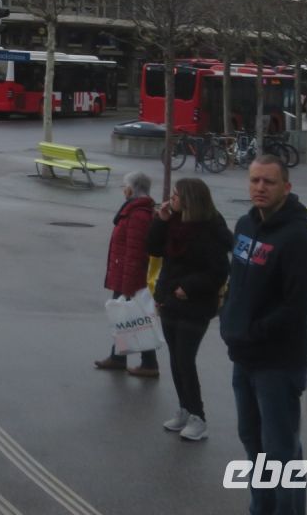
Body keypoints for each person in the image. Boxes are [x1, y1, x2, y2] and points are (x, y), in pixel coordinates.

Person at [219, 155, 307, 515]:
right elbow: (236, 283)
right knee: (253, 443)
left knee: (281, 452)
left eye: (269, 182)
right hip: (244, 357)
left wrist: (250, 331)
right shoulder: (245, 225)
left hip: (279, 362)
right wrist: (227, 319)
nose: (260, 188)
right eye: (255, 181)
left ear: (286, 188)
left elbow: (295, 307)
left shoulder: (298, 238)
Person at [146, 177, 232, 442]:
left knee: (185, 358)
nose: (171, 198)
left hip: (195, 303)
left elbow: (219, 270)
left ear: (190, 199)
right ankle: (184, 408)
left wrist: (189, 287)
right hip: (169, 299)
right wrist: (159, 221)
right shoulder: (173, 221)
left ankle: (198, 416)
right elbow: (154, 249)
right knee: (174, 358)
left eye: (176, 195)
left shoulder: (211, 228)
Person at [95, 171, 159, 378]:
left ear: (132, 189)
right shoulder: (135, 210)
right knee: (125, 317)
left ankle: (147, 362)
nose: (123, 189)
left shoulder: (138, 214)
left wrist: (128, 284)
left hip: (129, 276)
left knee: (133, 318)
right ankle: (120, 357)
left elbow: (135, 250)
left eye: (124, 185)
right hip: (124, 273)